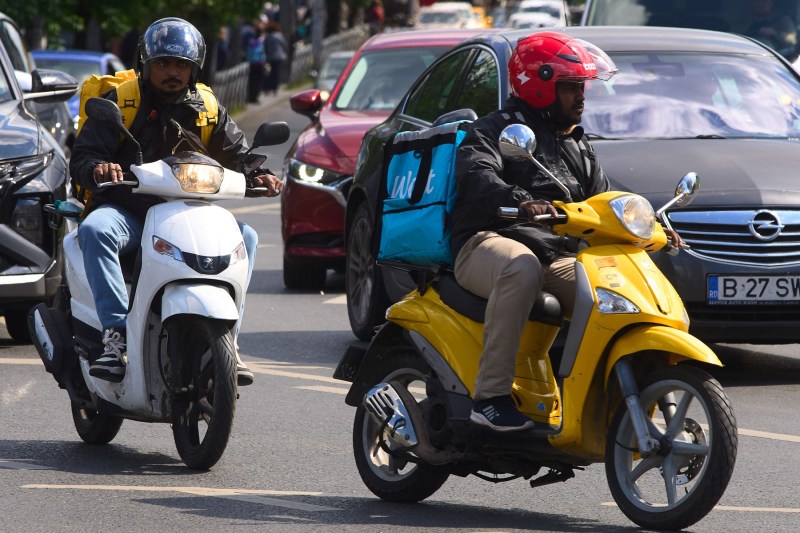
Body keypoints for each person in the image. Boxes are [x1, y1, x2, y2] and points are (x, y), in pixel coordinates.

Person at [450, 32, 683, 432]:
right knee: (519, 268)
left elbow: (603, 198)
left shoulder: (576, 142)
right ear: (540, 86)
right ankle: (489, 398)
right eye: (571, 88)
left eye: (583, 88)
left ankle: (611, 395)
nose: (582, 97)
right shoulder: (496, 131)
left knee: (614, 290)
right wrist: (520, 199)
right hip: (486, 243)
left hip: (554, 253)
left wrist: (648, 224)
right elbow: (477, 176)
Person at [69, 17, 284, 385]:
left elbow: (238, 154)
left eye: (181, 65)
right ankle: (115, 336)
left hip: (189, 215)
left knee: (245, 238)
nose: (173, 72)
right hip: (130, 212)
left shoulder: (208, 107)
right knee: (96, 229)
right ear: (146, 65)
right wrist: (100, 168)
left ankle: (228, 339)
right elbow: (84, 156)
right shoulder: (122, 101)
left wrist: (258, 174)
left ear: (194, 68)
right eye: (164, 63)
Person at [264, 21, 289, 96]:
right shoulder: (280, 36)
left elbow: (266, 47)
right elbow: (285, 45)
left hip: (271, 57)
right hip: (279, 56)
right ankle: (275, 88)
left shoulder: (268, 37)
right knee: (277, 73)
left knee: (270, 73)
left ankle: (268, 88)